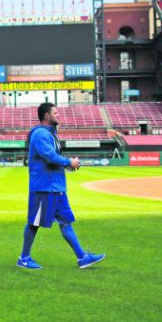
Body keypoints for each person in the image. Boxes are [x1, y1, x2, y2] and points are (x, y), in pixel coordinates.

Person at [17, 102, 106, 270]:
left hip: (56, 187)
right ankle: (24, 258)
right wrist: (68, 162)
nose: (59, 115)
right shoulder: (41, 134)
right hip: (44, 187)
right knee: (34, 223)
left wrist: (67, 165)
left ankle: (82, 258)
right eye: (55, 113)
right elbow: (49, 156)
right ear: (46, 116)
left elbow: (53, 158)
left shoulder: (50, 134)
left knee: (66, 222)